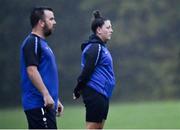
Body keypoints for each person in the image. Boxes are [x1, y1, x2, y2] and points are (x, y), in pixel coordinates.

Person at [20, 7, 64, 129]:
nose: (54, 22)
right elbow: (32, 70)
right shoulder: (32, 42)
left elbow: (45, 74)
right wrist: (45, 94)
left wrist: (55, 99)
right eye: (51, 19)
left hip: (47, 104)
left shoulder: (42, 43)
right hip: (38, 104)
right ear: (41, 22)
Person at [73, 10, 116, 129]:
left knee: (98, 127)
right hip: (95, 92)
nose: (111, 30)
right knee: (93, 127)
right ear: (98, 30)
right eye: (108, 27)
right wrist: (78, 88)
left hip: (103, 94)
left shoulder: (101, 47)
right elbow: (88, 69)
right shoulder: (95, 47)